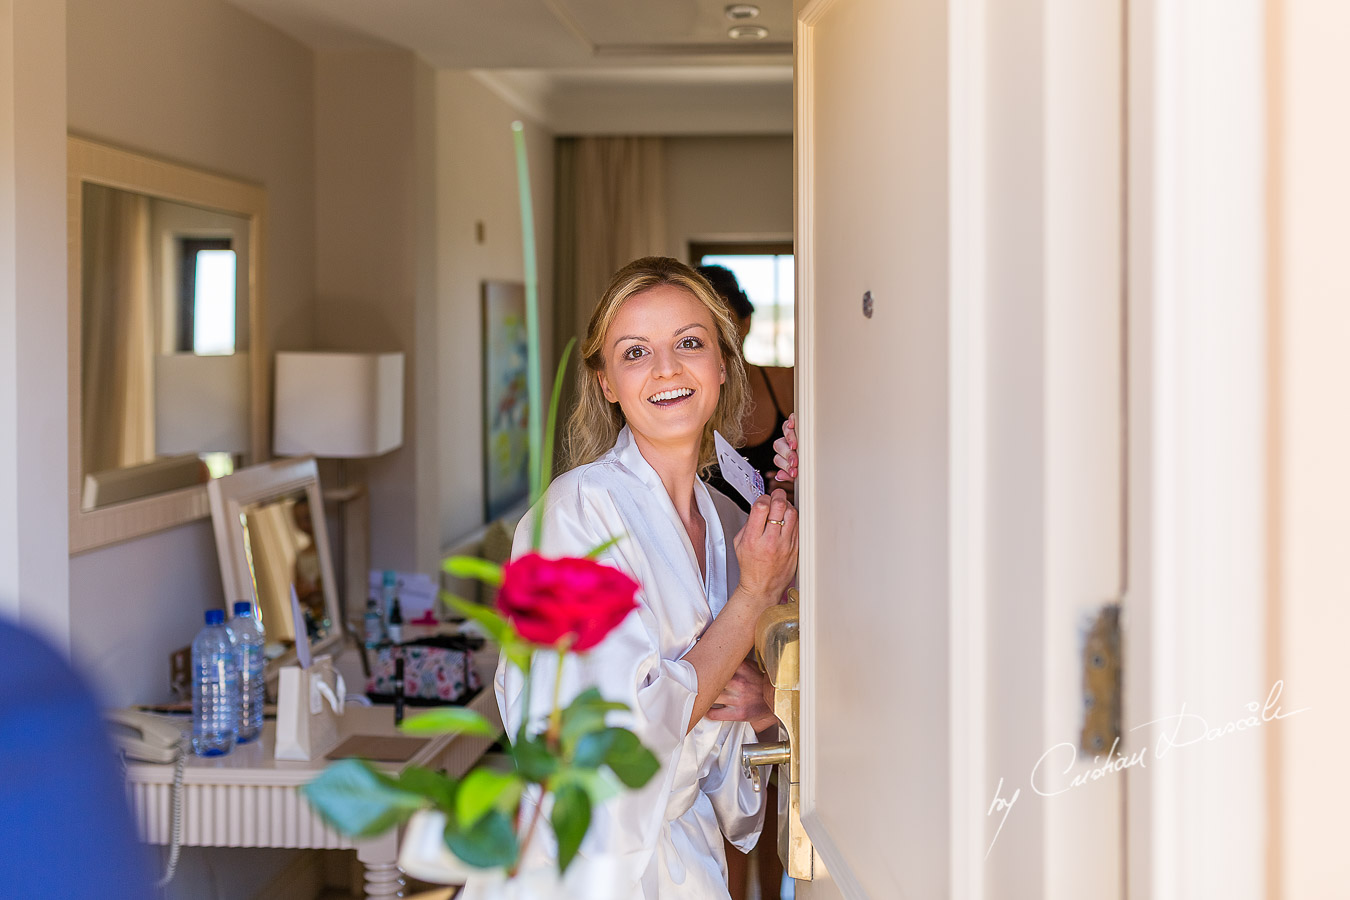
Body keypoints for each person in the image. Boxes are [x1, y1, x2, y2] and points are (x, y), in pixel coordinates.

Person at [477, 257, 800, 899]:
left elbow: (725, 727)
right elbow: (617, 738)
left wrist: (765, 711)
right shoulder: (573, 518)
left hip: (689, 864)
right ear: (606, 383)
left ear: (721, 364)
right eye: (635, 353)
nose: (667, 369)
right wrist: (754, 596)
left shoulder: (730, 521)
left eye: (689, 343)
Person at [697, 265, 796, 511]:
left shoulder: (787, 382)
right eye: (703, 326)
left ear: (746, 322)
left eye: (725, 322)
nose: (715, 336)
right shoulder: (680, 398)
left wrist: (800, 487)